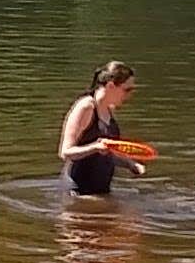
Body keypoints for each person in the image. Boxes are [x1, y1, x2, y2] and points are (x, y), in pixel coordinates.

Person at [59, 60, 142, 197]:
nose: (129, 95)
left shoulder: (110, 110)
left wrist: (130, 164)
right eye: (127, 89)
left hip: (101, 191)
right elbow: (65, 152)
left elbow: (106, 153)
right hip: (77, 192)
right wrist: (95, 147)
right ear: (110, 86)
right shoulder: (86, 107)